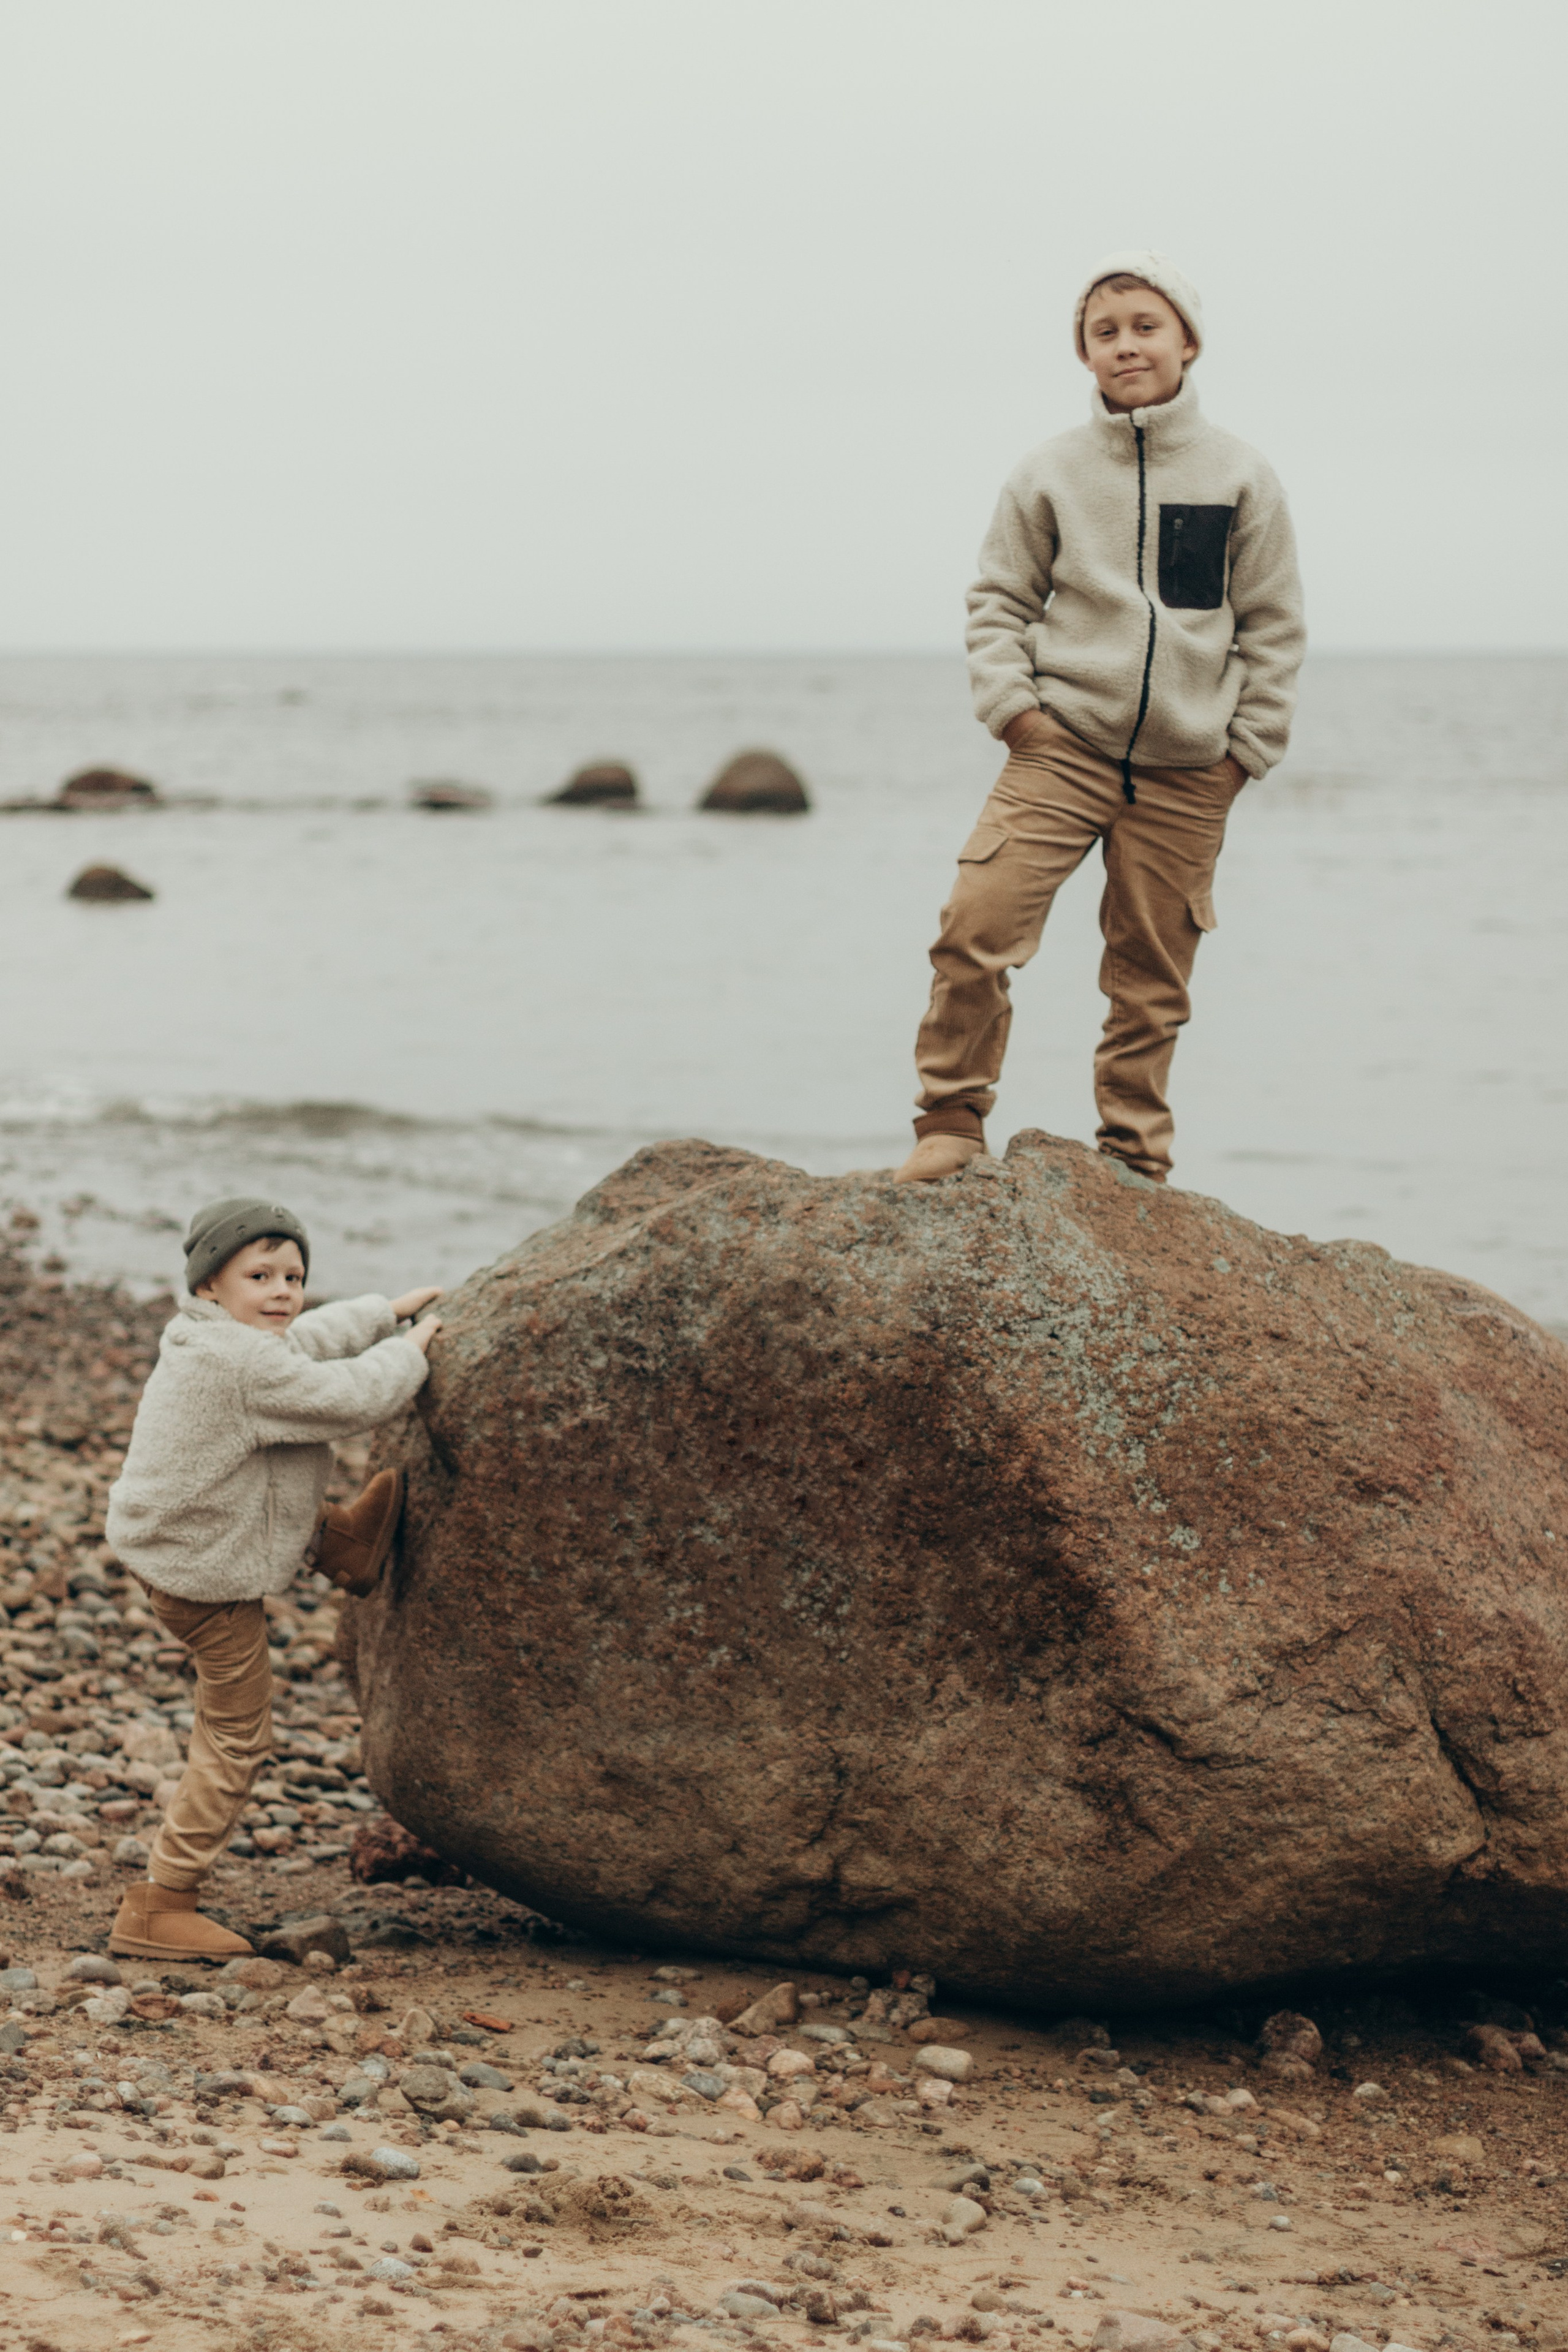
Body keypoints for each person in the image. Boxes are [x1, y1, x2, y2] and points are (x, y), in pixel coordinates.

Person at [896, 249, 1306, 1187]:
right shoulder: (1049, 473)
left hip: (1189, 768)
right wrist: (1016, 716)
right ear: (1084, 355)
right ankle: (952, 1119)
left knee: (1151, 982)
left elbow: (1274, 628)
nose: (1126, 345)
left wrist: (1244, 755)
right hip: (1062, 749)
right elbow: (998, 600)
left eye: (1146, 326)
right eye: (1105, 332)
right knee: (974, 924)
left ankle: (1132, 1161)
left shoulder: (1243, 475)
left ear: (1188, 342)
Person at [103, 1196, 442, 1962]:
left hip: (188, 1542)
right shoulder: (241, 1366)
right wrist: (413, 1347)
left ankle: (340, 1541)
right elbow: (351, 1398)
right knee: (235, 1735)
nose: (283, 1290)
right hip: (204, 1580)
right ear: (209, 1286)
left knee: (270, 1463)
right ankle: (162, 1902)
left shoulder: (215, 1338)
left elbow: (307, 1342)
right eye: (261, 1274)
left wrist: (382, 1311)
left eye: (294, 1273)